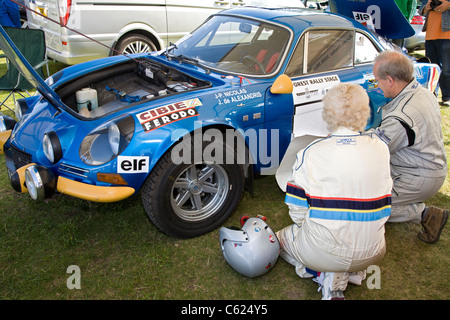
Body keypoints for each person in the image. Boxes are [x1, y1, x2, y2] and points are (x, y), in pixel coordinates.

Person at [276, 83, 392, 300]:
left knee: (279, 239)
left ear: (327, 113)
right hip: (374, 252)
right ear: (365, 112)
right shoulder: (381, 147)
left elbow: (297, 211)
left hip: (324, 252)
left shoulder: (310, 153)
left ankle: (323, 272)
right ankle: (351, 270)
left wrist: (309, 230)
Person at [373, 50, 448, 243]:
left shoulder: (401, 116)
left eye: (377, 81)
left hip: (416, 175)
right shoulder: (421, 92)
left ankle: (425, 214)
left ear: (390, 80)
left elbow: (374, 150)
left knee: (368, 202)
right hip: (424, 166)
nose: (377, 85)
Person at [419, 0, 450, 106]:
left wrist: (448, 5)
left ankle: (447, 97)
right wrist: (426, 7)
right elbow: (420, 9)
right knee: (431, 69)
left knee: (447, 69)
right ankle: (432, 96)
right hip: (430, 35)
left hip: (447, 35)